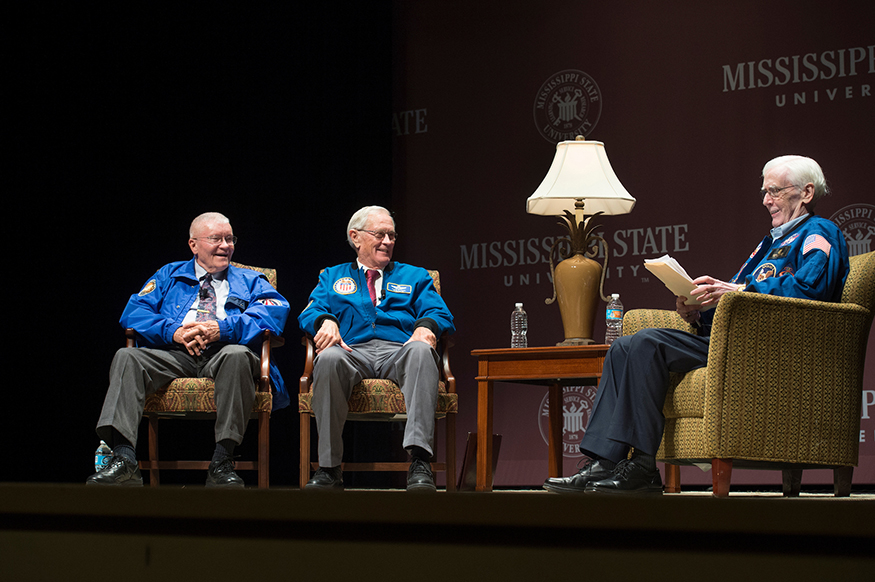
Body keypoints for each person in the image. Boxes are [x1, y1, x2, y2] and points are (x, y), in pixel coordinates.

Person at [544, 155, 850, 495]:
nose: (766, 200)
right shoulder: (769, 244)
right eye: (764, 191)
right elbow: (732, 297)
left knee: (646, 343)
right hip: (730, 339)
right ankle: (605, 462)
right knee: (624, 345)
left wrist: (738, 290)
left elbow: (811, 291)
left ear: (806, 193)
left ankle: (643, 467)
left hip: (771, 346)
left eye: (775, 191)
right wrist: (698, 308)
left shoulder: (819, 233)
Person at [87, 212, 290, 488]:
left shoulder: (251, 280)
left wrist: (223, 328)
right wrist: (174, 331)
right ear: (193, 244)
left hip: (224, 351)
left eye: (230, 239)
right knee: (127, 356)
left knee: (238, 356)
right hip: (174, 354)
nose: (225, 245)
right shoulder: (169, 274)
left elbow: (274, 313)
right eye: (216, 238)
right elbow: (134, 312)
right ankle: (124, 459)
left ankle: (222, 460)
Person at [298, 206, 455, 491]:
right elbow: (310, 311)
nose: (388, 241)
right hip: (350, 351)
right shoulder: (332, 276)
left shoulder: (415, 276)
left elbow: (440, 312)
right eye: (380, 234)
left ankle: (420, 461)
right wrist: (326, 321)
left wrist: (426, 327)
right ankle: (329, 467)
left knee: (421, 351)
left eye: (392, 235)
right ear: (355, 237)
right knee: (328, 358)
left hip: (399, 351)